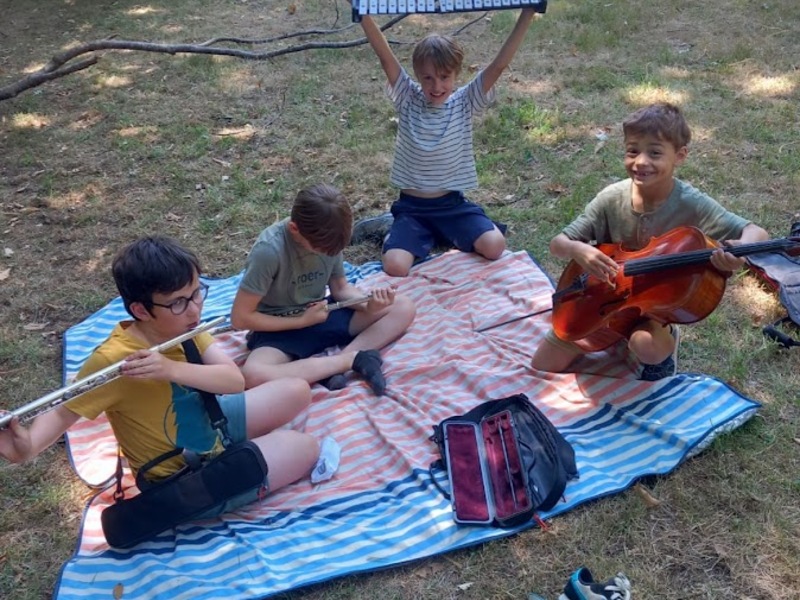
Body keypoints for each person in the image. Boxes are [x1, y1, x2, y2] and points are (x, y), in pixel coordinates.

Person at [0, 236, 320, 506]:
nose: (195, 308)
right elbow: (60, 414)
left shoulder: (187, 325)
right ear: (141, 310)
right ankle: (240, 474)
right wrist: (24, 448)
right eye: (178, 302)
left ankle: (245, 453)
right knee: (304, 447)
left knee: (296, 390)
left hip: (211, 423)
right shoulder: (113, 360)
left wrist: (170, 369)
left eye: (197, 292)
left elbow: (234, 381)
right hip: (181, 476)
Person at [531, 103, 770, 380]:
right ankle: (610, 334)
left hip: (653, 306)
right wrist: (578, 249)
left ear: (680, 156)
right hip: (603, 299)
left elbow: (757, 233)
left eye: (655, 153)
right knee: (543, 365)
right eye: (633, 150)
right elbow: (558, 243)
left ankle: (663, 346)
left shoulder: (691, 203)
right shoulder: (611, 198)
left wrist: (739, 252)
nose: (641, 161)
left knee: (645, 345)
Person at [358, 9, 540, 277]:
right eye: (428, 77)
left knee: (494, 246)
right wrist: (362, 14)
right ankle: (391, 228)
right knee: (395, 266)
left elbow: (500, 64)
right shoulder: (407, 97)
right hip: (412, 209)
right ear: (418, 75)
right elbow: (384, 56)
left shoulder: (465, 101)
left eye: (444, 77)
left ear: (456, 75)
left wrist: (528, 12)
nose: (436, 85)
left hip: (452, 205)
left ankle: (437, 235)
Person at [230, 183, 416, 395]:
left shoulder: (329, 238)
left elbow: (340, 288)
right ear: (294, 230)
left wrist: (367, 304)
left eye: (332, 251)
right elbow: (240, 318)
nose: (326, 254)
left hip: (320, 315)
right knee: (253, 375)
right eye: (320, 250)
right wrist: (300, 321)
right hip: (279, 329)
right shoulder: (269, 251)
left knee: (403, 306)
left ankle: (335, 366)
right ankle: (349, 361)